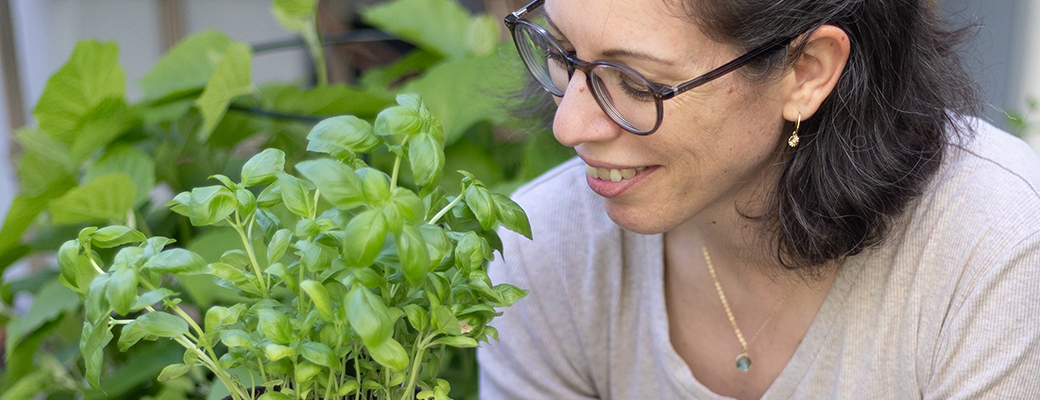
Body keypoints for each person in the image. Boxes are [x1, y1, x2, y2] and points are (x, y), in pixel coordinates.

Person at [477, 0, 1040, 398]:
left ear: (807, 71)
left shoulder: (992, 245)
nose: (569, 125)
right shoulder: (547, 245)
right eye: (565, 52)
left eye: (636, 81)